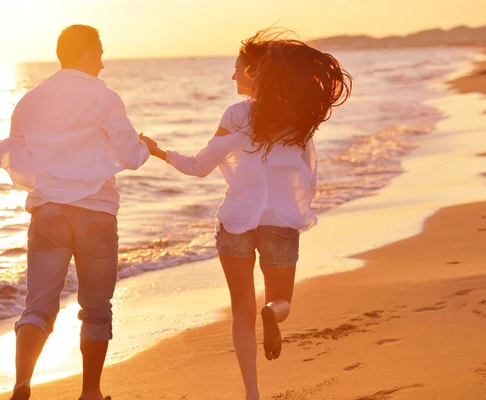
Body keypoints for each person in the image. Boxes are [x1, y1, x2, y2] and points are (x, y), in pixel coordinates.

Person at [140, 29, 351, 399]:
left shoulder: (236, 115)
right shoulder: (297, 118)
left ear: (254, 73)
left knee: (241, 311)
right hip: (281, 224)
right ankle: (273, 312)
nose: (233, 76)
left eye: (238, 70)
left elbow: (197, 167)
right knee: (279, 302)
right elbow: (309, 173)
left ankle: (252, 393)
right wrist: (297, 209)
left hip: (236, 222)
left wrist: (158, 152)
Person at [0, 25, 150, 400]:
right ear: (88, 52)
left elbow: (20, 155)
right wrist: (145, 148)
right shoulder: (105, 98)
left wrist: (50, 184)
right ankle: (90, 392)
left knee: (38, 306)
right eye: (101, 53)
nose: (104, 64)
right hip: (96, 214)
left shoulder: (30, 100)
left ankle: (23, 382)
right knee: (96, 309)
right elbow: (131, 154)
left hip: (48, 214)